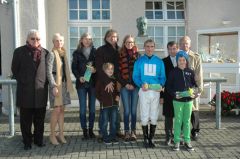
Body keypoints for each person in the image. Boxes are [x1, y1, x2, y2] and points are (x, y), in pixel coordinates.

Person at [11, 29, 49, 150]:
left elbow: (48, 72)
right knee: (25, 120)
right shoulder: (19, 52)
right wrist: (24, 80)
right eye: (33, 38)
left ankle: (39, 140)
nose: (35, 41)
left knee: (39, 120)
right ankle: (27, 142)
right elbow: (14, 70)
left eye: (38, 39)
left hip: (40, 92)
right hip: (25, 92)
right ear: (27, 39)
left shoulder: (46, 53)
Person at [133, 39, 166, 148]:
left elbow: (163, 77)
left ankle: (151, 138)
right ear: (144, 47)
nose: (149, 48)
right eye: (147, 46)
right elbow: (135, 76)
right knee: (144, 114)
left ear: (154, 48)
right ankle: (145, 138)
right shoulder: (139, 61)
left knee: (154, 114)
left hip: (155, 92)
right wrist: (140, 84)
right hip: (144, 91)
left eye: (151, 46)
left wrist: (160, 84)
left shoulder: (159, 61)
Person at [166, 50, 198, 151]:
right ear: (177, 61)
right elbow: (168, 87)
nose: (182, 62)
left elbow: (194, 85)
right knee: (178, 121)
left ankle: (187, 141)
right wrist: (174, 94)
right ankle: (176, 141)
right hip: (177, 101)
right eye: (180, 60)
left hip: (188, 101)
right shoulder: (173, 72)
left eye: (183, 60)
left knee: (187, 121)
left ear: (186, 60)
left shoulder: (190, 72)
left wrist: (194, 92)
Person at [95, 29, 123, 141]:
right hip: (104, 83)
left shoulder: (120, 50)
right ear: (106, 38)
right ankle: (102, 132)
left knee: (116, 109)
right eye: (110, 36)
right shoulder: (100, 50)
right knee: (104, 111)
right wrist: (107, 81)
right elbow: (98, 67)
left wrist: (116, 83)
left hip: (117, 82)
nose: (113, 38)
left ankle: (116, 130)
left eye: (115, 36)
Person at [47, 33, 73, 145]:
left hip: (63, 85)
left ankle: (61, 134)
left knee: (62, 110)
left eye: (61, 41)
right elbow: (48, 72)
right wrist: (53, 86)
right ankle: (52, 135)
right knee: (56, 110)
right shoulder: (51, 54)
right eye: (57, 41)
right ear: (53, 42)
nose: (59, 43)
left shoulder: (63, 54)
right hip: (56, 86)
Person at [72, 33, 97, 140]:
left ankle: (91, 130)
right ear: (81, 40)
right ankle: (84, 131)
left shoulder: (95, 52)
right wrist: (79, 77)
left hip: (93, 83)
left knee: (92, 109)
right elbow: (74, 68)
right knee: (82, 109)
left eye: (90, 39)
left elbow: (99, 66)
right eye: (85, 39)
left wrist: (95, 70)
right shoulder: (76, 53)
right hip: (81, 84)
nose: (88, 41)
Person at [179, 36, 203, 140]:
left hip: (193, 87)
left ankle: (195, 131)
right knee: (182, 110)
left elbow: (199, 74)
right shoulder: (178, 56)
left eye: (187, 43)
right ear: (180, 45)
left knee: (194, 109)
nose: (185, 45)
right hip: (181, 87)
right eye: (183, 43)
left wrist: (199, 89)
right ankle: (182, 130)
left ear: (190, 45)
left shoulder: (196, 57)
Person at [118, 35, 140, 143]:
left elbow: (140, 72)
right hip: (124, 87)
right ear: (124, 43)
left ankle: (134, 131)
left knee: (134, 111)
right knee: (126, 111)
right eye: (127, 42)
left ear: (134, 43)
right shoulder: (120, 55)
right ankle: (126, 131)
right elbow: (118, 73)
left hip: (135, 86)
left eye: (131, 42)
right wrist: (126, 84)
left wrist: (134, 84)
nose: (129, 44)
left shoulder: (138, 55)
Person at [96, 63, 120, 145]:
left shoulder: (114, 79)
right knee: (105, 122)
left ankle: (112, 137)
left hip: (114, 105)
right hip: (105, 105)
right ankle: (105, 137)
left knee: (113, 122)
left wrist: (118, 96)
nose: (110, 70)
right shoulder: (101, 80)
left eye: (112, 69)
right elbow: (96, 92)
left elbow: (117, 90)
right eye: (108, 69)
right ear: (104, 70)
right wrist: (101, 100)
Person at [160, 41, 179, 146]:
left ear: (177, 49)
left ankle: (177, 136)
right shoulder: (163, 61)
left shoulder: (182, 60)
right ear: (168, 50)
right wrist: (161, 96)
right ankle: (168, 137)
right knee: (168, 116)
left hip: (180, 93)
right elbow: (162, 80)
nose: (172, 51)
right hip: (167, 93)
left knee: (179, 116)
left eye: (174, 48)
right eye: (170, 49)